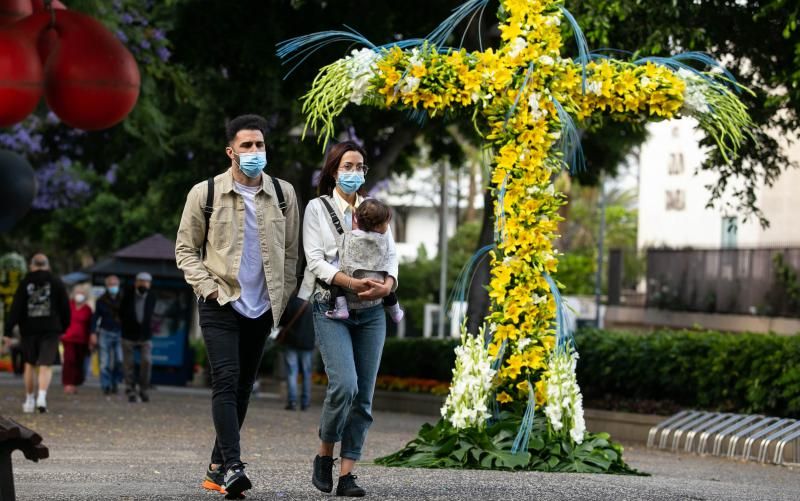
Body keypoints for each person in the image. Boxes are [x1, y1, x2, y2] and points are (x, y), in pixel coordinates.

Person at [175, 114, 299, 499]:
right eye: (246, 146)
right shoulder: (205, 193)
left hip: (262, 307)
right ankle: (233, 467)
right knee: (226, 380)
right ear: (231, 151)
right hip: (221, 301)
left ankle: (216, 466)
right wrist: (209, 288)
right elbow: (184, 250)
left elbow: (291, 252)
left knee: (244, 386)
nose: (254, 152)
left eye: (259, 145)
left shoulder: (284, 194)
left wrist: (283, 293)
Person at [298, 141, 398, 497]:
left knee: (364, 397)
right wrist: (352, 282)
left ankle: (347, 474)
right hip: (332, 307)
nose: (354, 173)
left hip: (371, 314)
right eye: (348, 166)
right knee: (345, 385)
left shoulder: (377, 210)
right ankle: (324, 453)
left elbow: (391, 256)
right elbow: (314, 261)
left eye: (360, 167)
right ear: (333, 170)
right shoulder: (316, 209)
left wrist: (387, 287)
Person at [3, 253, 70, 413]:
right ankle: (42, 397)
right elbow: (65, 308)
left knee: (29, 364)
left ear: (32, 265)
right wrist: (64, 327)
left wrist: (8, 330)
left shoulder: (25, 282)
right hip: (50, 329)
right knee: (46, 365)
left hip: (29, 330)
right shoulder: (56, 282)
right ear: (47, 265)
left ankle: (29, 400)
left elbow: (16, 308)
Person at [324, 198, 404, 323]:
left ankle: (341, 308)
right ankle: (396, 312)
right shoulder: (383, 240)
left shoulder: (350, 236)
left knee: (334, 278)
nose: (388, 226)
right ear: (377, 227)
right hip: (378, 283)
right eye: (386, 223)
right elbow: (391, 258)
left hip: (350, 285)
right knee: (389, 291)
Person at [120, 272, 156, 403]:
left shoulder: (152, 296)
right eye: (141, 281)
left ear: (150, 284)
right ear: (136, 282)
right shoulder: (128, 295)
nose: (144, 284)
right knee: (128, 364)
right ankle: (130, 389)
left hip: (145, 336)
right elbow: (121, 312)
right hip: (128, 335)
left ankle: (144, 389)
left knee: (147, 361)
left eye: (146, 282)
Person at [277, 294, 315, 411]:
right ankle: (305, 402)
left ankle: (292, 401)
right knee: (306, 374)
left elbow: (282, 321)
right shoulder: (313, 303)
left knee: (292, 372)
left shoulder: (292, 301)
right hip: (308, 342)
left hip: (291, 341)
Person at [90, 275, 124, 395]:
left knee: (119, 360)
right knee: (104, 362)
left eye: (115, 284)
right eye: (111, 284)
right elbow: (95, 318)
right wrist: (93, 333)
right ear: (107, 286)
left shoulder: (123, 299)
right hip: (105, 332)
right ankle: (106, 385)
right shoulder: (101, 300)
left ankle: (115, 382)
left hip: (120, 332)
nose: (113, 287)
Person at [61, 284, 93, 394]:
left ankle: (75, 383)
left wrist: (91, 340)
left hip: (82, 340)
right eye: (78, 293)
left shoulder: (87, 309)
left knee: (79, 362)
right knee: (69, 361)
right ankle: (67, 383)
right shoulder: (68, 305)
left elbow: (90, 326)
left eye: (82, 293)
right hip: (68, 338)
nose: (79, 295)